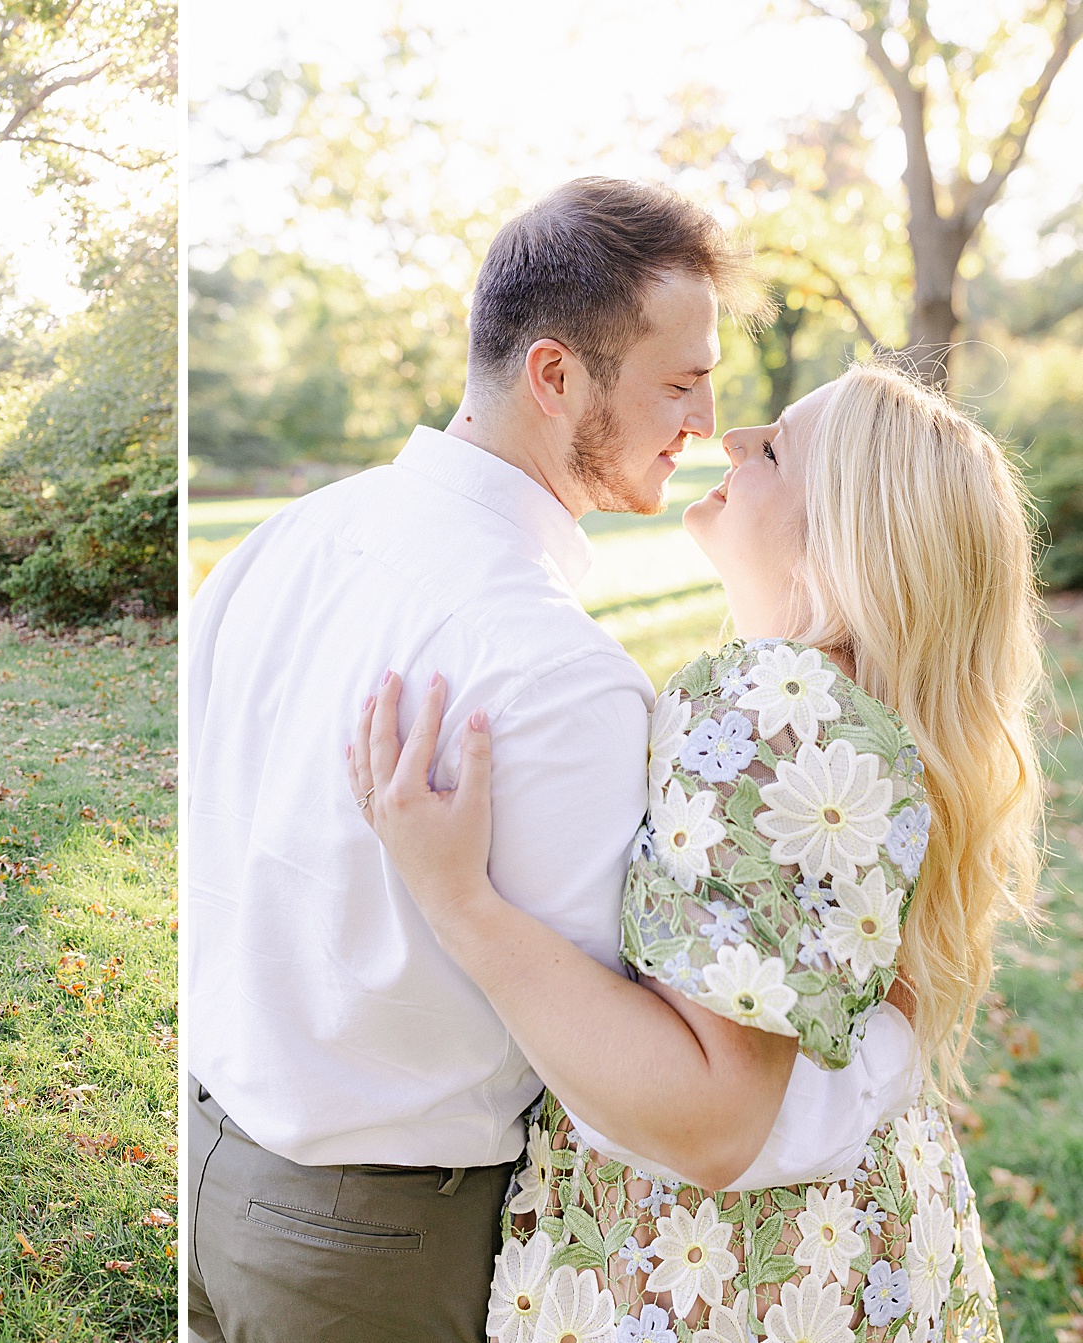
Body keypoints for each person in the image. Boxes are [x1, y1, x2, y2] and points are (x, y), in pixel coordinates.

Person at [186, 179, 922, 1343]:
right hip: (376, 1246)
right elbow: (657, 1095)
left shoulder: (280, 542)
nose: (708, 420)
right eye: (680, 382)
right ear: (554, 376)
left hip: (209, 1171)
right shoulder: (557, 673)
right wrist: (891, 1059)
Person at [350, 360, 1040, 1343]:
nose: (733, 437)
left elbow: (710, 1114)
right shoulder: (874, 721)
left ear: (841, 535)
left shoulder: (769, 710)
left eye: (777, 447)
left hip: (711, 1274)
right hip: (875, 1238)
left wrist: (457, 893)